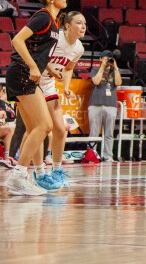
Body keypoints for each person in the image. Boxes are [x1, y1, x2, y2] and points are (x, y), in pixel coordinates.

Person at [4, 0, 66, 195]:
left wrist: (48, 67)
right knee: (45, 125)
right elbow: (18, 40)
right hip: (22, 73)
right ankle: (18, 175)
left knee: (35, 128)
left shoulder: (54, 22)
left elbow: (38, 49)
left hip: (24, 74)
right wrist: (32, 65)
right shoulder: (43, 17)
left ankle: (29, 175)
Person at [38, 11, 85, 186]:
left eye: (85, 24)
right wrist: (50, 70)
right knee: (38, 129)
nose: (83, 27)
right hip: (32, 81)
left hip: (48, 85)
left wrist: (65, 87)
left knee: (60, 129)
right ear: (67, 25)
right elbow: (39, 56)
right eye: (79, 23)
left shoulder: (79, 48)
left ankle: (57, 171)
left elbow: (68, 68)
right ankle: (37, 172)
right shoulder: (55, 38)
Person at [89, 49, 122, 162]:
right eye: (105, 58)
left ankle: (108, 156)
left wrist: (116, 68)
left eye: (109, 58)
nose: (107, 61)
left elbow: (118, 83)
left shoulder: (114, 71)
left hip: (111, 105)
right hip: (95, 104)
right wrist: (102, 67)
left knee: (109, 133)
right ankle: (92, 155)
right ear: (100, 59)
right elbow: (96, 82)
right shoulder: (95, 70)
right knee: (94, 132)